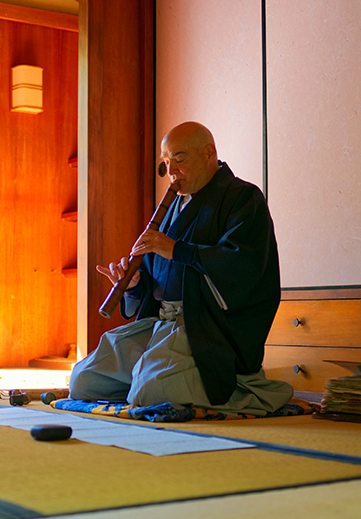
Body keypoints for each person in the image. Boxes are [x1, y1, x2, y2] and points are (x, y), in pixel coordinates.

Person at [68, 121, 292, 415]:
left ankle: (242, 388)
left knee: (151, 391)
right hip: (160, 325)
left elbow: (241, 267)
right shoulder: (174, 206)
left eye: (179, 159)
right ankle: (152, 380)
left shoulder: (243, 198)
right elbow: (154, 280)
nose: (171, 171)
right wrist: (134, 284)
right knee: (83, 380)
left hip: (204, 330)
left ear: (209, 153)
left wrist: (176, 250)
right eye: (165, 162)